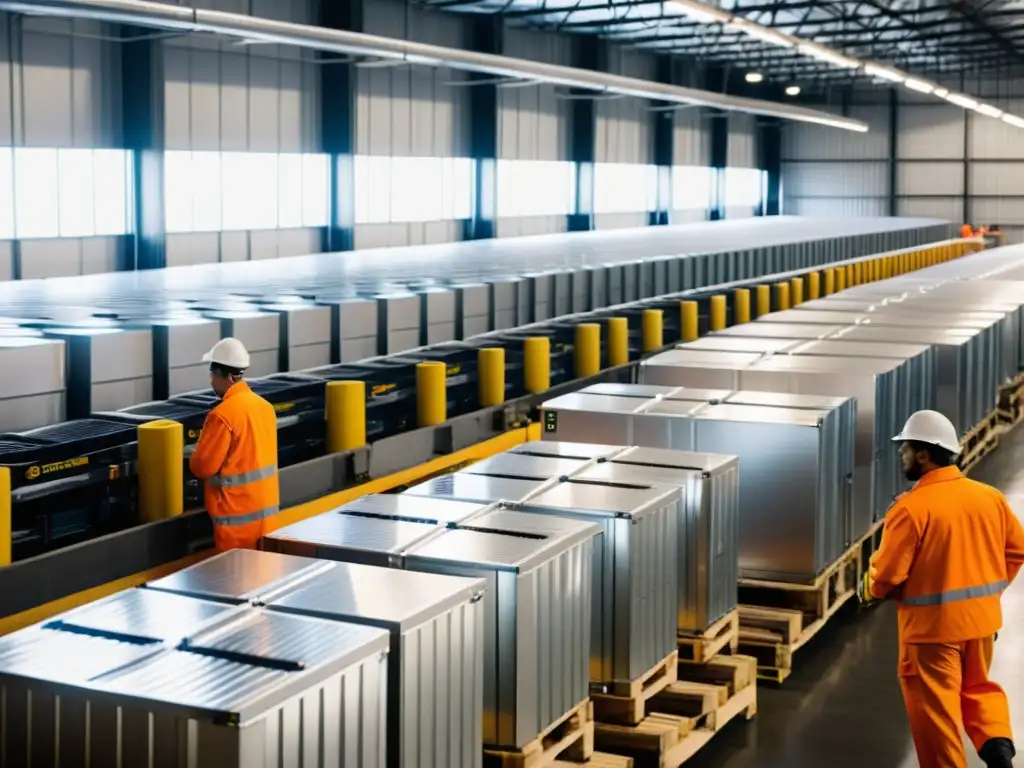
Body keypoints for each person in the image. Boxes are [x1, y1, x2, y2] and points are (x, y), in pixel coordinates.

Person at [861, 410, 1024, 768]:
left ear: (923, 454)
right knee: (979, 689)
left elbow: (888, 577)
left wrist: (869, 586)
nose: (901, 455)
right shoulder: (989, 497)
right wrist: (986, 597)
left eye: (905, 449)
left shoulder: (911, 510)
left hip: (933, 635)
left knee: (938, 719)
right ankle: (998, 752)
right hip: (980, 626)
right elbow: (1017, 550)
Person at [188, 337, 280, 551]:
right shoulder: (264, 407)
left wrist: (192, 453)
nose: (211, 382)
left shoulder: (222, 416)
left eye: (213, 375)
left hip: (237, 525)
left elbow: (203, 467)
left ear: (227, 376)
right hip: (267, 519)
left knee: (237, 581)